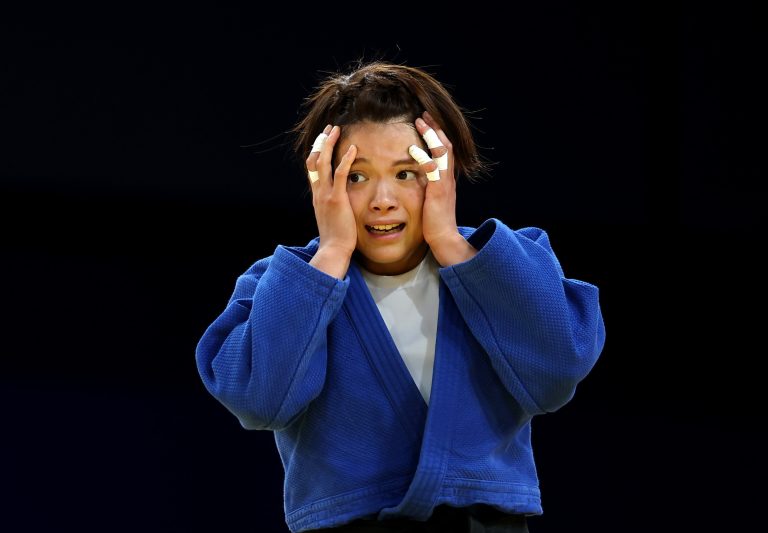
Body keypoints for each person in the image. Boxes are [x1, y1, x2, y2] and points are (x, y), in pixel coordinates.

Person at [195, 60, 606, 533]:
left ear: (444, 176)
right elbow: (259, 402)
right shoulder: (283, 285)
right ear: (322, 183)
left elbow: (557, 373)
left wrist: (452, 243)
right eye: (356, 176)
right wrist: (330, 254)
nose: (382, 199)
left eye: (407, 173)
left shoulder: (504, 265)